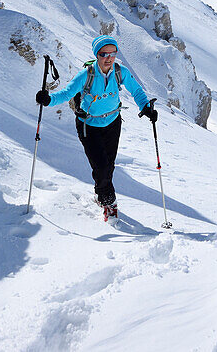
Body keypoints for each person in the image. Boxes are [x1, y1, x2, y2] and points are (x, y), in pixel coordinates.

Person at [35, 35, 157, 220]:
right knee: (100, 165)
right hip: (89, 126)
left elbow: (136, 90)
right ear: (97, 55)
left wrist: (146, 107)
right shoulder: (87, 75)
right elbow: (67, 93)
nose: (108, 58)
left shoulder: (119, 72)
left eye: (112, 53)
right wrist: (49, 99)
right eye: (104, 54)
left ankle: (100, 194)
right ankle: (109, 201)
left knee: (108, 166)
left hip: (113, 123)